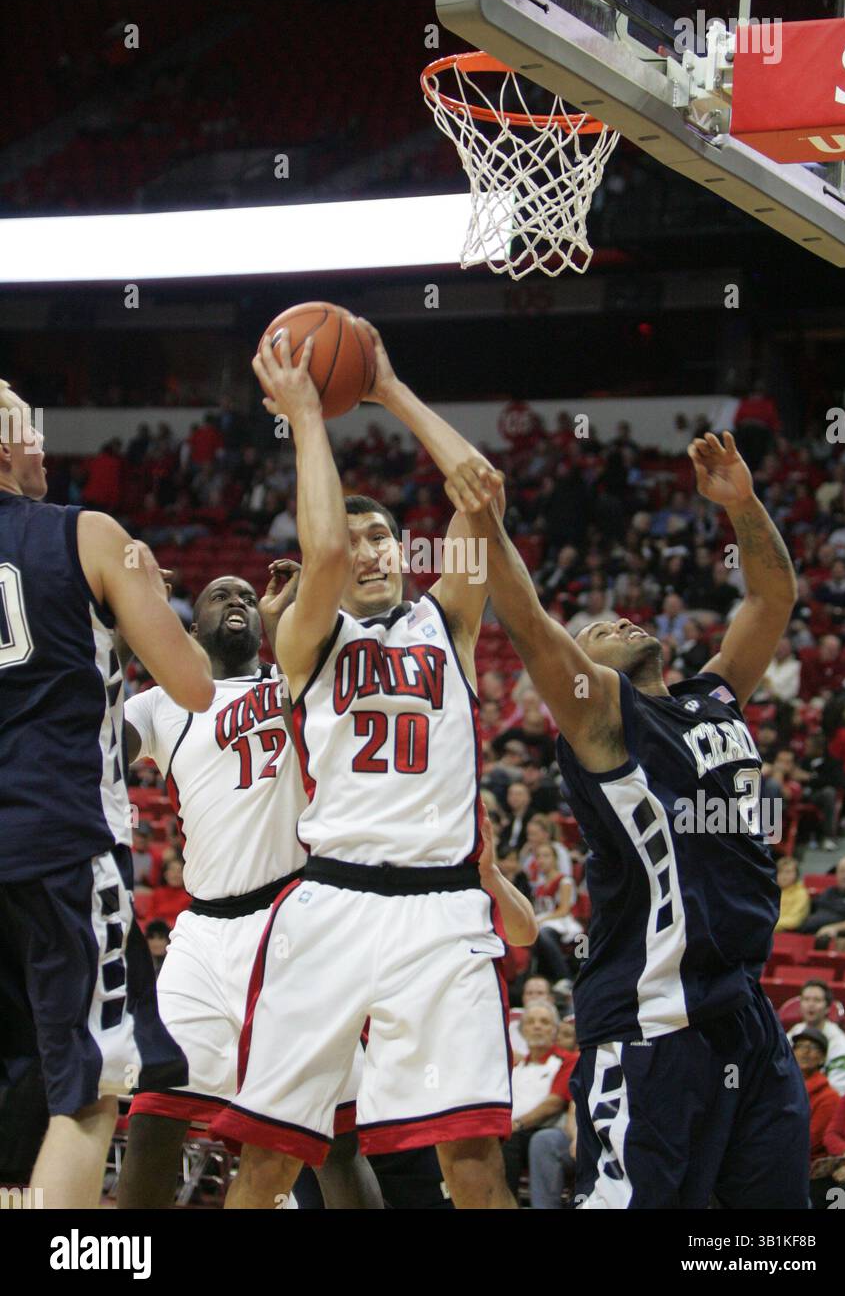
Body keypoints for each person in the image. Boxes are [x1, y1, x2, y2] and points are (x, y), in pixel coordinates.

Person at [211, 326, 537, 1209]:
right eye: (352, 540)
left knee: (474, 1164)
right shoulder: (306, 638)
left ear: (404, 551)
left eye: (382, 538)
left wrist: (390, 389)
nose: (365, 552)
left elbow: (483, 493)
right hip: (334, 903)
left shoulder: (450, 624)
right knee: (271, 1162)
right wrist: (308, 417)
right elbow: (318, 556)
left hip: (442, 912)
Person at [447, 429, 810, 1208]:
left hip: (744, 1010)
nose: (617, 623)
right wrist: (490, 527)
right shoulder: (606, 724)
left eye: (618, 620)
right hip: (652, 1020)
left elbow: (772, 596)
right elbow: (533, 625)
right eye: (597, 632)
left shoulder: (711, 695)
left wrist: (742, 505)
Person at [0, 377, 213, 1209]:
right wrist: (145, 597)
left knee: (19, 1088)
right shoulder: (87, 534)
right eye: (26, 430)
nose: (43, 444)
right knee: (88, 1090)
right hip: (58, 843)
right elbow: (193, 686)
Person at [117, 567, 378, 1210]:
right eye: (217, 596)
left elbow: (348, 640)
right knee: (154, 1114)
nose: (234, 601)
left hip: (298, 917)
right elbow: (92, 746)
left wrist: (301, 608)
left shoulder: (296, 676)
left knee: (331, 1139)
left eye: (244, 596)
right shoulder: (160, 702)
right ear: (192, 624)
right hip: (203, 936)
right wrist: (122, 626)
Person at [503, 1001, 577, 1202]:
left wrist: (516, 1124)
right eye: (531, 1022)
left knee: (516, 1142)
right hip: (513, 1133)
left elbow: (554, 1103)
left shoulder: (567, 1060)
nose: (537, 1026)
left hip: (547, 1131)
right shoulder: (515, 1067)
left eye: (544, 1022)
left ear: (554, 1030)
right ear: (522, 1030)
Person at [788, 981, 845, 1095]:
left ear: (828, 1008)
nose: (811, 1004)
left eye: (817, 1000)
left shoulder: (840, 1044)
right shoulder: (794, 1032)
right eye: (806, 999)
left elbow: (839, 1092)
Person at [531, 842, 581, 994]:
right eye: (538, 856)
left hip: (564, 923)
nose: (541, 860)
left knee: (543, 934)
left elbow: (564, 910)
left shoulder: (564, 881)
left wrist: (541, 919)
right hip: (545, 922)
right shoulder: (538, 886)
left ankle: (565, 978)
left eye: (546, 856)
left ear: (555, 859)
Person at [790, 1029, 840, 1175]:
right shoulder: (780, 1086)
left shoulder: (829, 1097)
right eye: (800, 1046)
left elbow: (810, 1141)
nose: (805, 1052)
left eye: (813, 1048)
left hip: (804, 1166)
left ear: (822, 1059)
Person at [799, 856, 845, 945]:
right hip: (804, 934)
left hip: (830, 939)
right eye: (842, 871)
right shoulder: (829, 891)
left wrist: (833, 928)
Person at [774, 857, 810, 932]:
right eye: (780, 872)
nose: (783, 876)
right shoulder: (770, 891)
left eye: (788, 872)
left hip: (788, 935)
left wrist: (768, 924)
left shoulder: (801, 894)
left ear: (796, 875)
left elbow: (794, 921)